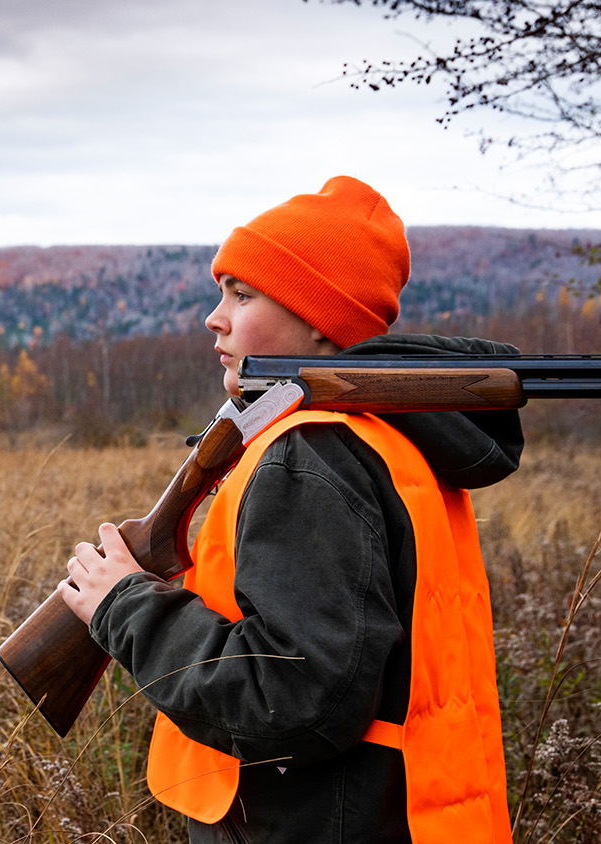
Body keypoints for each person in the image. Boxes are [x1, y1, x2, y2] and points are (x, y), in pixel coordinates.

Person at [58, 176, 523, 843]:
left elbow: (294, 700)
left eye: (242, 294)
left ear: (318, 318)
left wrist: (124, 604)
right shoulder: (391, 437)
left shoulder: (308, 455)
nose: (213, 317)